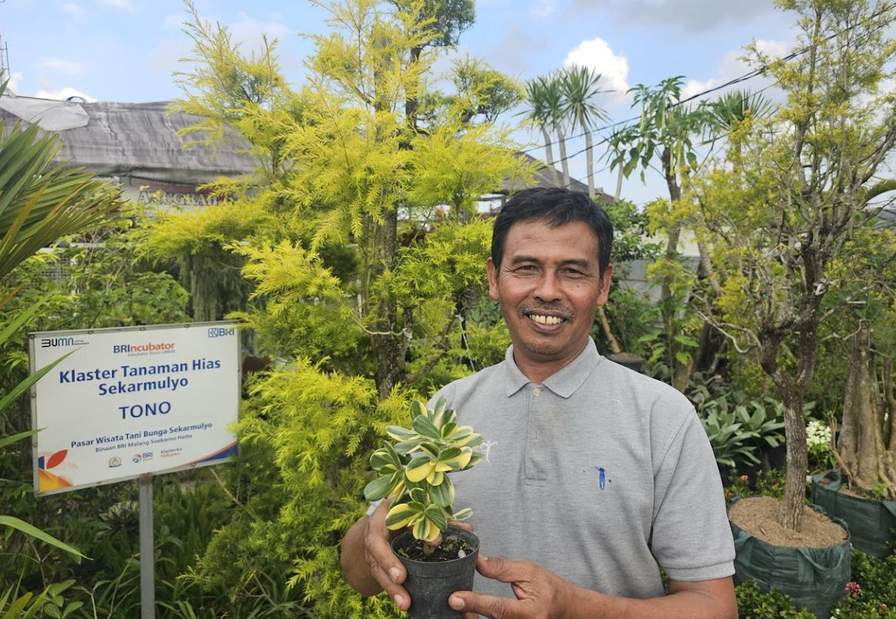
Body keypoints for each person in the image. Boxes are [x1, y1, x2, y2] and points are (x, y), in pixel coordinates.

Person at [341, 187, 737, 618]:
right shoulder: (446, 413)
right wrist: (372, 538)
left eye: (572, 272)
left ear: (603, 285)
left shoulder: (662, 418)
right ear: (494, 278)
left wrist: (571, 607)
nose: (548, 291)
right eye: (526, 268)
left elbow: (713, 607)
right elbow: (358, 576)